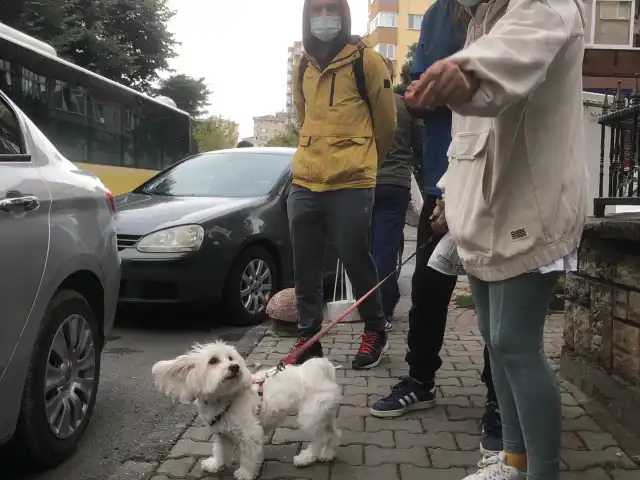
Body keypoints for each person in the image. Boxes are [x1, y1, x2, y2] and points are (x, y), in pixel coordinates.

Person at [403, 0, 587, 478]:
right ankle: (513, 460)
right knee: (494, 338)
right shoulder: (482, 18)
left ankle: (541, 472)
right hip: (484, 206)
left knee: (514, 342)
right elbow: (469, 132)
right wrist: (449, 191)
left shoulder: (546, 5)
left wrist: (463, 73)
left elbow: (512, 56)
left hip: (531, 202)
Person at [370, 0, 502, 456]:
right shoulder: (435, 15)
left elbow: (503, 89)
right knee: (427, 288)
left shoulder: (511, 9)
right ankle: (420, 379)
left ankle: (498, 398)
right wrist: (420, 93)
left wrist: (453, 87)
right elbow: (422, 86)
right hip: (441, 176)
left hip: (494, 180)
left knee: (492, 295)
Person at [288, 0, 397, 369]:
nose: (323, 18)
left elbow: (386, 124)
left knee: (354, 257)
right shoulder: (301, 63)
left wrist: (365, 163)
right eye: (315, 11)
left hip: (351, 180)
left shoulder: (365, 60)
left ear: (344, 14)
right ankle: (308, 336)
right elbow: (304, 117)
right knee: (305, 264)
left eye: (330, 9)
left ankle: (374, 327)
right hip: (305, 179)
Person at [370, 57, 421, 322]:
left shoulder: (362, 104)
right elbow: (420, 144)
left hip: (364, 183)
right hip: (396, 184)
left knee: (368, 249)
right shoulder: (404, 105)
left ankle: (370, 304)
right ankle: (384, 306)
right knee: (386, 248)